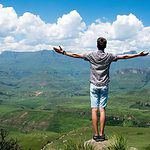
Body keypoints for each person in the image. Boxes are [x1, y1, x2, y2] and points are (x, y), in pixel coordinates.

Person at [53, 37, 149, 142]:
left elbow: (76, 55)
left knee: (94, 109)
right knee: (102, 109)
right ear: (105, 46)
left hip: (94, 85)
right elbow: (124, 56)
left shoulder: (91, 55)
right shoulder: (109, 56)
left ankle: (95, 134)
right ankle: (102, 135)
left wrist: (63, 52)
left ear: (97, 45)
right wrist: (138, 55)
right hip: (104, 85)